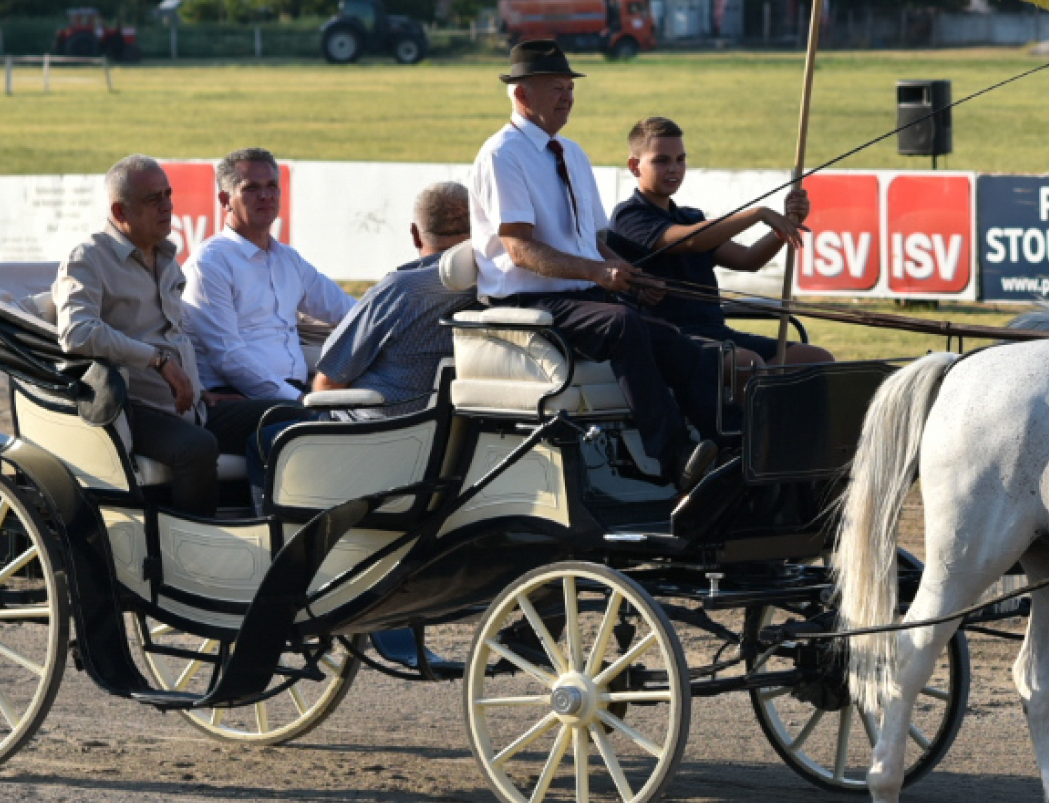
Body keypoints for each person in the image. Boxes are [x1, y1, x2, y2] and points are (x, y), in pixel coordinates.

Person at [470, 40, 724, 492]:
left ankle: (724, 449)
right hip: (530, 299)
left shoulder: (573, 151)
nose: (567, 97)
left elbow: (596, 241)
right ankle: (675, 459)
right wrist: (597, 274)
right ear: (522, 95)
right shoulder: (501, 154)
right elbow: (519, 250)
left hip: (577, 293)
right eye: (555, 88)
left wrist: (629, 274)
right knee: (624, 325)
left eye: (570, 87)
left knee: (682, 344)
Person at [53, 155, 269, 515]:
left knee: (284, 415)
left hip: (190, 404)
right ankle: (195, 555)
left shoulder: (166, 257)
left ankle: (274, 526)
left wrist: (202, 388)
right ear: (120, 211)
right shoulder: (88, 259)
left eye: (168, 195)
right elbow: (76, 332)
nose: (168, 206)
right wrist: (157, 362)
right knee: (197, 447)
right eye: (154, 199)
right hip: (132, 408)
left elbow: (175, 333)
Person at [608, 116, 833, 368]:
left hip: (715, 334)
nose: (674, 168)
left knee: (818, 360)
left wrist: (786, 225)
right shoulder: (629, 216)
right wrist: (758, 214)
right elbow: (691, 241)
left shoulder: (691, 216)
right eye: (661, 160)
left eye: (680, 159)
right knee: (747, 364)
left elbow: (749, 259)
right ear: (634, 166)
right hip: (668, 338)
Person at [183, 147, 357, 401]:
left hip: (293, 393)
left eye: (272, 186)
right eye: (251, 188)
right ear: (224, 200)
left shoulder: (288, 259)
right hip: (240, 398)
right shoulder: (209, 263)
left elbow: (348, 310)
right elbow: (229, 358)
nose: (265, 196)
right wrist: (297, 401)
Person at [311, 181, 477, 417]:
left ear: (415, 235)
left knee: (263, 437)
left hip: (374, 431)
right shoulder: (493, 285)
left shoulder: (401, 291)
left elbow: (328, 384)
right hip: (447, 429)